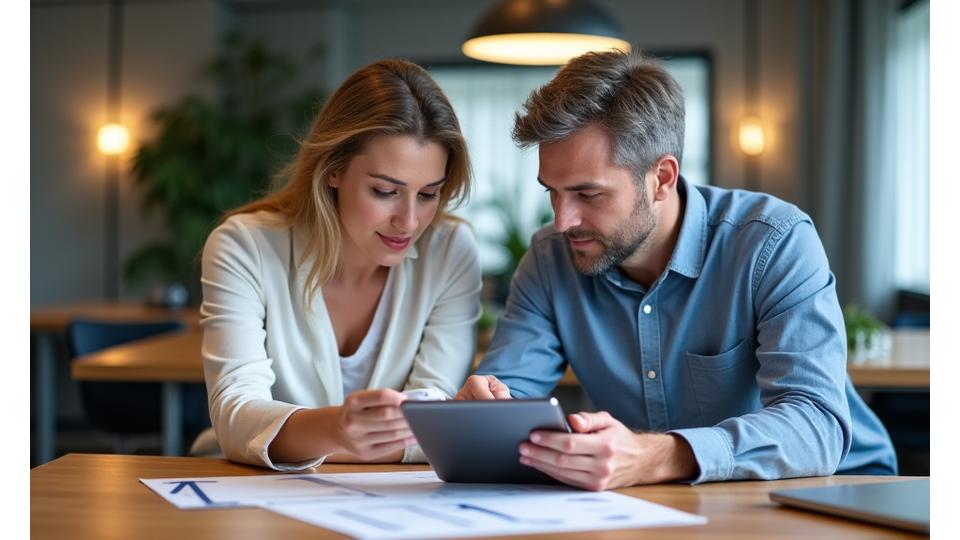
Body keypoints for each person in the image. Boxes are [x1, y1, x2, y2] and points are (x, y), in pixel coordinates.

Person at [457, 50, 897, 490]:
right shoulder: (550, 260)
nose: (562, 220)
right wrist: (490, 411)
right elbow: (507, 393)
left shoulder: (774, 241)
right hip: (663, 502)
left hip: (837, 489)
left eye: (587, 195)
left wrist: (663, 456)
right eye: (552, 192)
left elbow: (816, 426)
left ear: (662, 178)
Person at [199, 59, 481, 470]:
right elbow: (236, 417)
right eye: (385, 191)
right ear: (333, 171)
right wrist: (337, 430)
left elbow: (436, 410)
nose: (409, 221)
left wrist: (311, 437)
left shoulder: (451, 250)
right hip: (250, 486)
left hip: (392, 504)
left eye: (428, 194)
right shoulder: (244, 246)